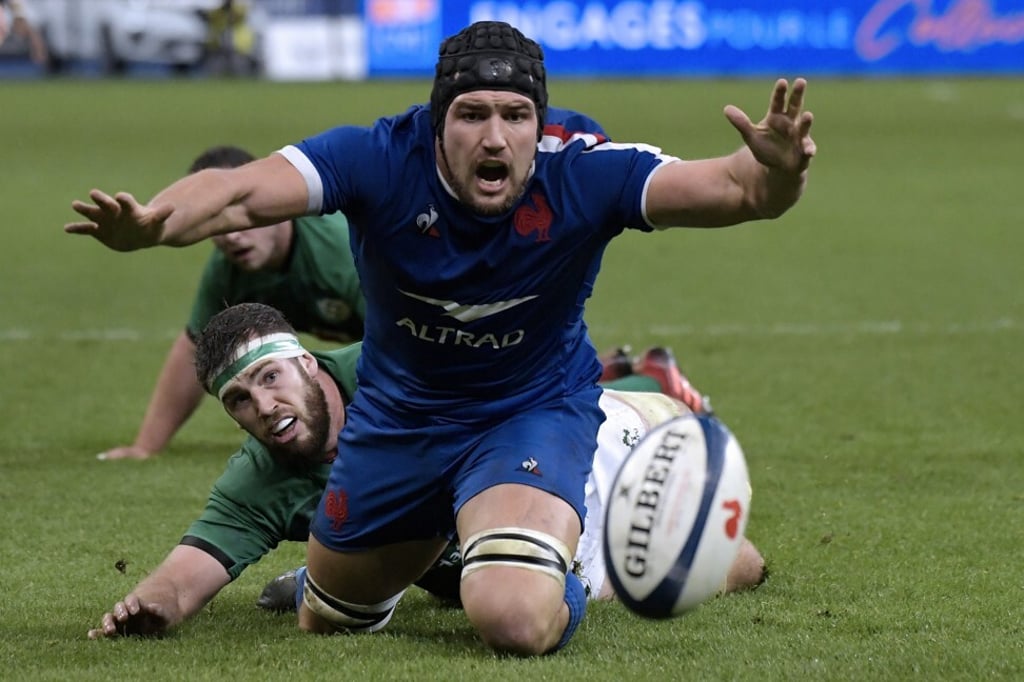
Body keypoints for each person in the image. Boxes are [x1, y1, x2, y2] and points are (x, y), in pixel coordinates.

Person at [67, 20, 814, 655]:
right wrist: (153, 225)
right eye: (472, 113)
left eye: (515, 115)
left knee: (512, 618)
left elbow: (737, 188)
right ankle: (436, 557)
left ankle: (579, 567)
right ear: (437, 120)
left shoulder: (582, 172)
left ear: (539, 122)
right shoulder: (379, 160)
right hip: (398, 423)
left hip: (527, 412)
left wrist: (777, 175)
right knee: (327, 619)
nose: (495, 136)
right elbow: (236, 190)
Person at [87, 302, 763, 640]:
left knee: (736, 565)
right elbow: (181, 579)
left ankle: (652, 380)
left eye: (270, 378)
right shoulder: (261, 477)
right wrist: (148, 607)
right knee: (471, 584)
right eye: (240, 401)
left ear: (307, 363)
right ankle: (352, 580)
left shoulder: (396, 363)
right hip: (474, 534)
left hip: (590, 458)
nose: (264, 407)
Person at [97, 145, 365, 461]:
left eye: (240, 219)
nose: (231, 237)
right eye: (216, 223)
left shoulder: (342, 252)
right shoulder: (228, 270)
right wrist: (145, 447)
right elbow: (194, 348)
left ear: (273, 206)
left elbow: (402, 342)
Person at [0, 0, 47, 66]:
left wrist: (18, 15)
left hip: (18, 9)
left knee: (33, 31)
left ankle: (41, 61)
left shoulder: (26, 13)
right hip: (8, 10)